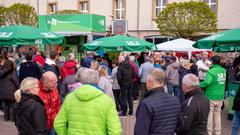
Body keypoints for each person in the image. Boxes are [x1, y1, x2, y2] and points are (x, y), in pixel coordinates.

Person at [54, 68, 122, 135]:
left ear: (81, 81)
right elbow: (115, 131)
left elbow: (59, 124)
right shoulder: (106, 100)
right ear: (97, 81)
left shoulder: (70, 98)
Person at [134, 68, 181, 135]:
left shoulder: (146, 104)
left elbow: (140, 132)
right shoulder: (175, 100)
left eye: (147, 81)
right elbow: (179, 126)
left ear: (150, 81)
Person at [200, 55, 226, 135]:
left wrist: (198, 84)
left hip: (211, 96)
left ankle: (209, 132)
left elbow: (207, 82)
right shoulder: (223, 70)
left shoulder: (211, 71)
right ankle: (218, 132)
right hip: (220, 96)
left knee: (210, 114)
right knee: (218, 114)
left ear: (212, 62)